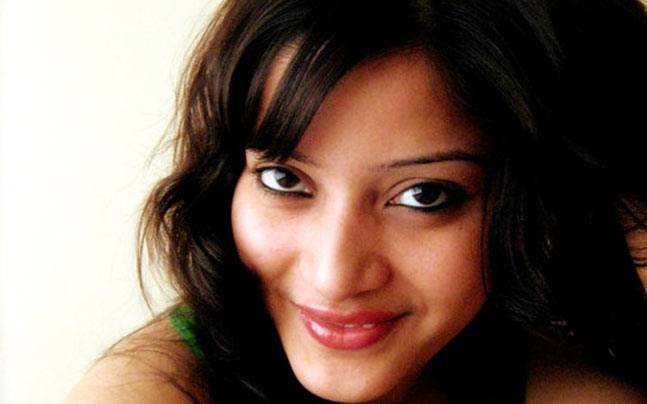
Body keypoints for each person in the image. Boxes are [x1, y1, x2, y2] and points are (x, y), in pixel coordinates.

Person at [65, 0, 647, 402]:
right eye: (284, 180)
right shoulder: (149, 389)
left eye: (423, 196)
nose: (335, 276)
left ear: (534, 204)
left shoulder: (553, 372)